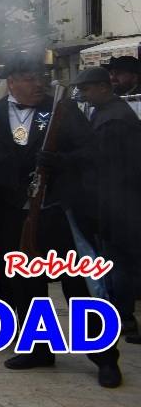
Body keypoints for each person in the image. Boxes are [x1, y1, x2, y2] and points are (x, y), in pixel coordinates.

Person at [0, 55, 121, 388]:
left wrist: (60, 161)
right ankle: (37, 348)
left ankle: (105, 357)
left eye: (40, 76)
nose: (37, 83)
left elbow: (92, 153)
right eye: (28, 77)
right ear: (11, 82)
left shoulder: (60, 110)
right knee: (26, 289)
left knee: (79, 289)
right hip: (12, 218)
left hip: (58, 215)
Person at [73, 65, 141, 344]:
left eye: (88, 89)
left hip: (119, 203)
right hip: (113, 200)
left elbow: (107, 165)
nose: (85, 95)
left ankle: (123, 317)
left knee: (120, 263)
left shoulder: (115, 119)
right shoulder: (106, 113)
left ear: (103, 87)